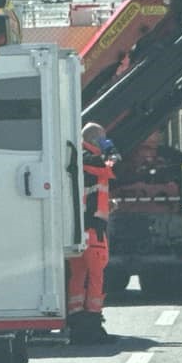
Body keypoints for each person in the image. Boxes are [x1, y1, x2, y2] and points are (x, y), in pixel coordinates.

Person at [67, 122, 114, 343]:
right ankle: (93, 321)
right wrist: (110, 150)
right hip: (93, 230)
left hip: (79, 229)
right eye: (102, 137)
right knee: (97, 278)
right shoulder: (91, 158)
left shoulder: (79, 156)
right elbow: (110, 168)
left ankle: (76, 316)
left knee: (78, 276)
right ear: (95, 139)